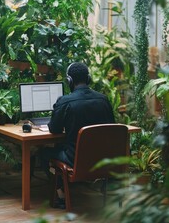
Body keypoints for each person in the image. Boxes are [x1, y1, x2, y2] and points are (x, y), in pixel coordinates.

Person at [39, 62, 115, 209]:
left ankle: (61, 195)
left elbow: (54, 129)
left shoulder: (65, 102)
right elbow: (110, 127)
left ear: (69, 81)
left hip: (74, 160)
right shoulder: (103, 100)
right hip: (103, 160)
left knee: (45, 153)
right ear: (88, 79)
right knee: (63, 147)